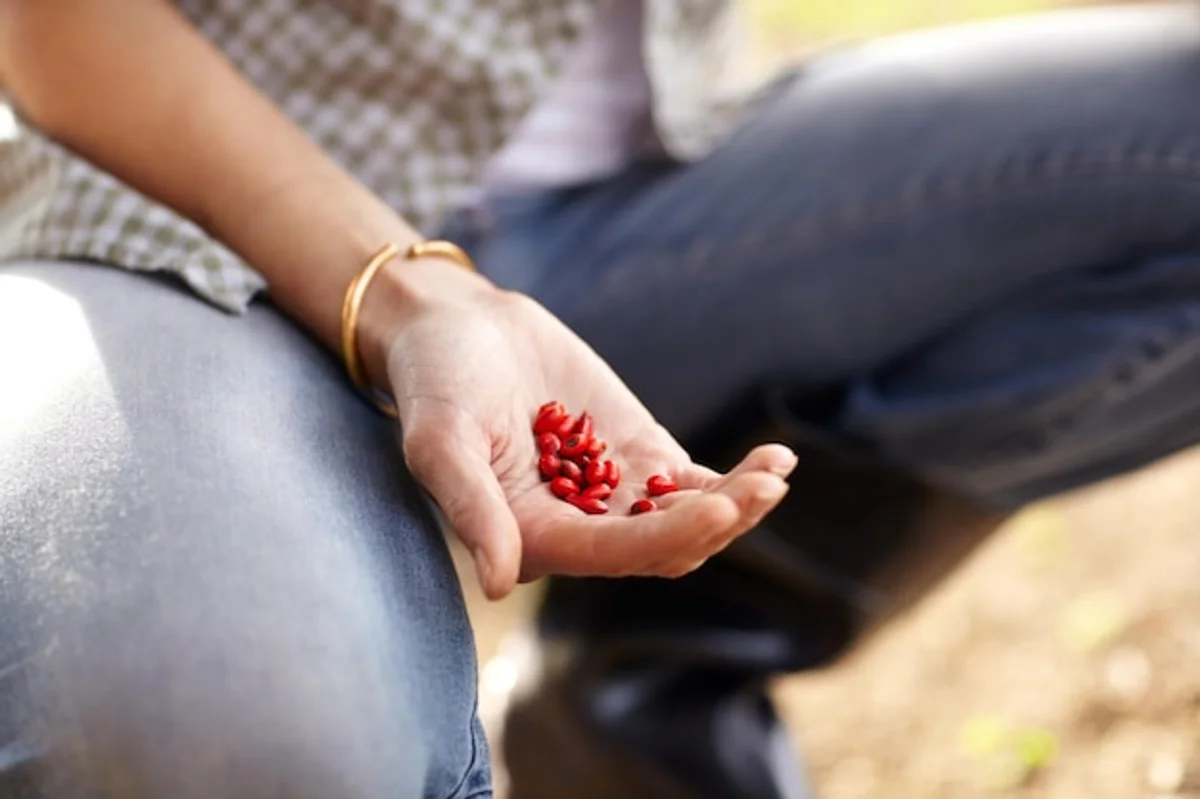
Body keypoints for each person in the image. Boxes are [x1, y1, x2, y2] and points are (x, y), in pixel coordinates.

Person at [2, 0, 1199, 797]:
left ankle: (635, 690)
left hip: (641, 199)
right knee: (238, 737)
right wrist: (416, 299)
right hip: (178, 237)